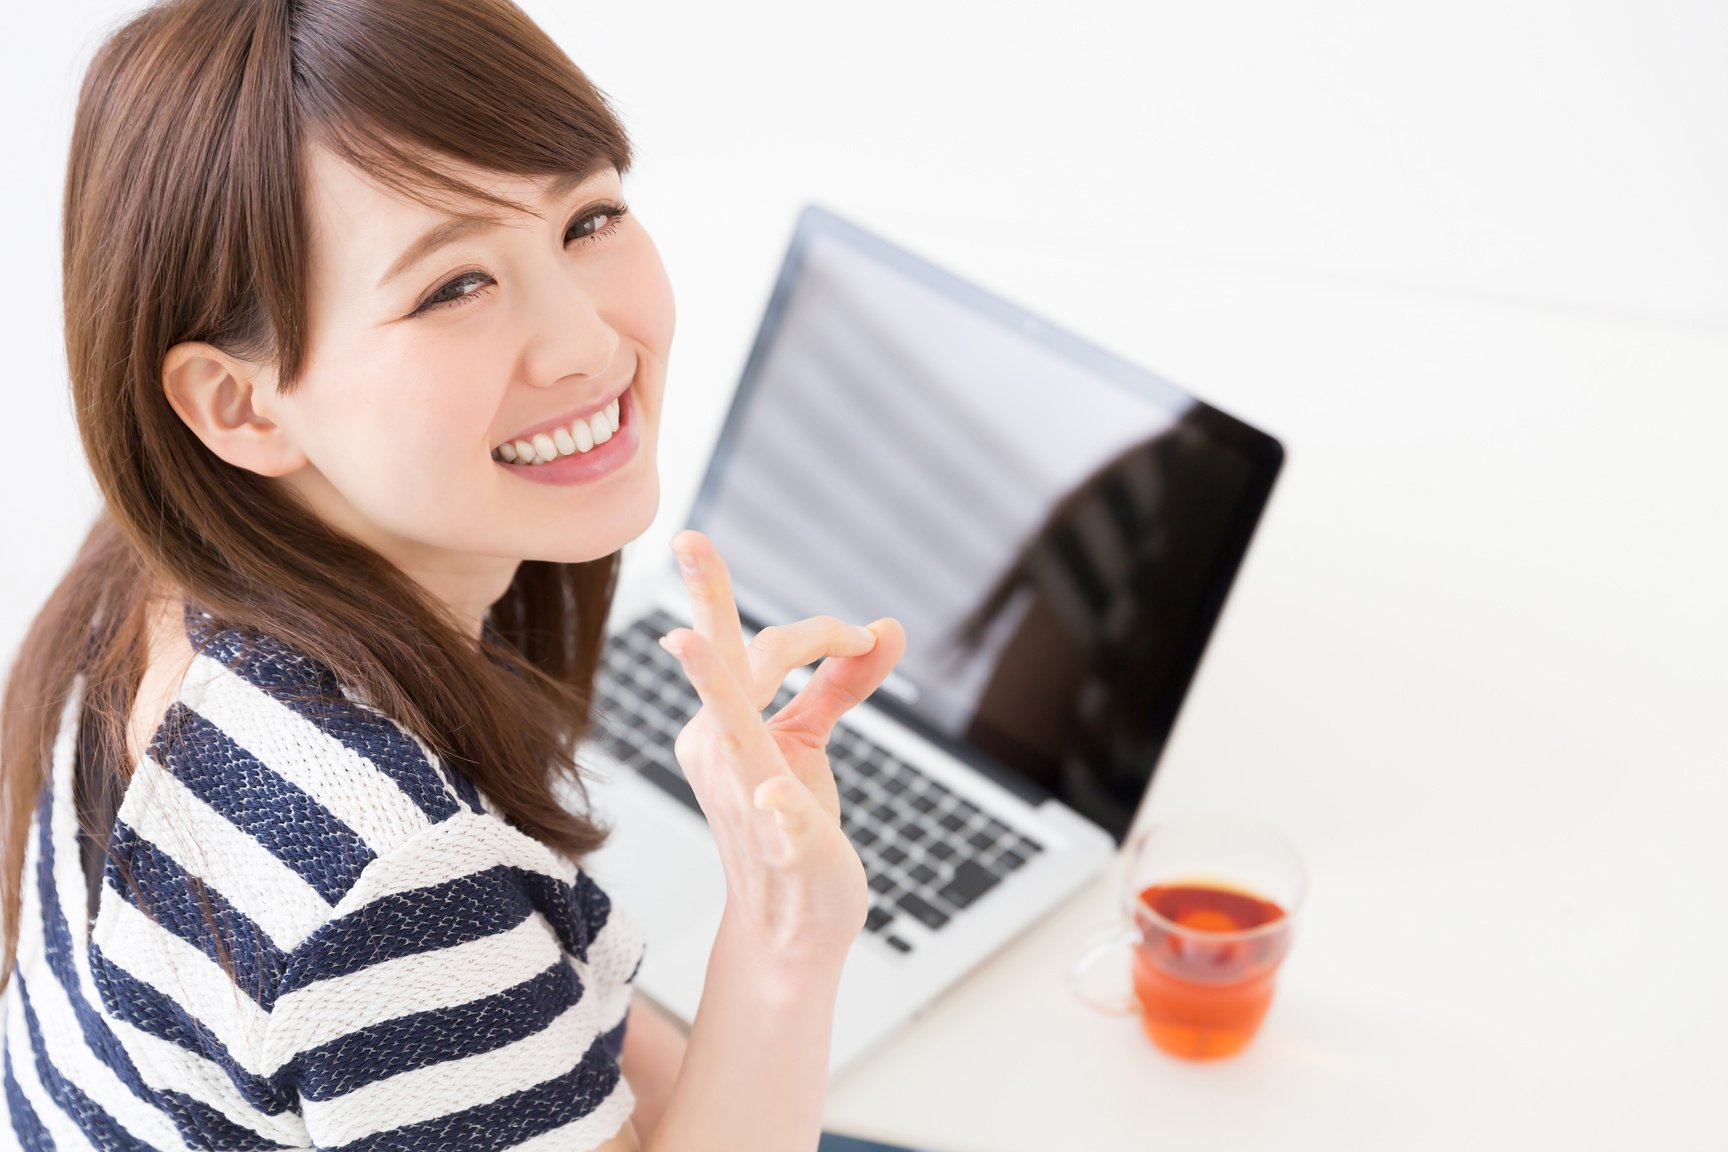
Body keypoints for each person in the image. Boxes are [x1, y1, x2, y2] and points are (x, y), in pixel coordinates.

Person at [0, 1, 906, 1149]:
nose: (584, 341)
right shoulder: (387, 869)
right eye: (453, 287)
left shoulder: (155, 579)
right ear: (239, 403)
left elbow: (529, 1048)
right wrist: (788, 937)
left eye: (588, 218)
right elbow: (408, 940)